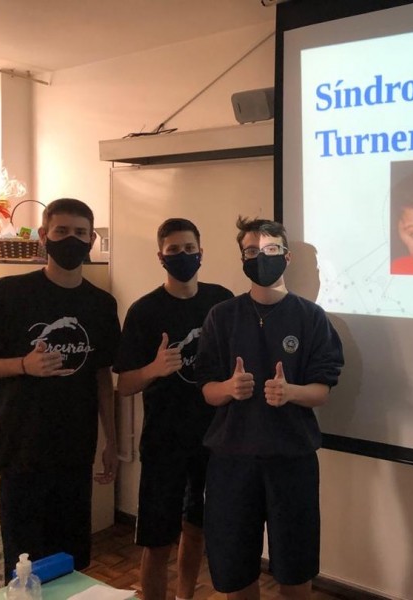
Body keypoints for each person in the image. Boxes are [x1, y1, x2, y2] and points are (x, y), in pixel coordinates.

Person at [195, 218, 343, 600]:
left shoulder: (311, 317)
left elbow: (322, 392)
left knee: (296, 569)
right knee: (234, 570)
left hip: (291, 460)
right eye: (252, 251)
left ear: (286, 256)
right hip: (232, 461)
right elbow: (207, 390)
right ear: (242, 258)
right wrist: (228, 388)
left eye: (270, 250)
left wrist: (291, 392)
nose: (261, 257)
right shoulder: (221, 316)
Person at [0, 198, 120, 589]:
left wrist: (111, 442)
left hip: (74, 455)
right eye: (62, 231)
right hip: (18, 455)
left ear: (91, 240)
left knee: (68, 564)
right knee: (20, 571)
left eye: (80, 233)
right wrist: (23, 365)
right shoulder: (9, 292)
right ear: (44, 236)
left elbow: (102, 376)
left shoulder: (101, 304)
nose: (71, 239)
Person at [113, 218, 233, 600]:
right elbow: (124, 385)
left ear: (201, 252)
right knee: (157, 538)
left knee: (197, 527)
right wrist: (154, 368)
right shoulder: (144, 310)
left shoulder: (221, 300)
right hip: (164, 442)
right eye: (174, 250)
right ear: (160, 257)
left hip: (213, 439)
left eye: (189, 249)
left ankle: (185, 596)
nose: (183, 255)